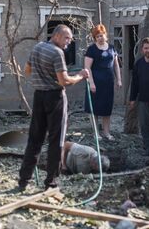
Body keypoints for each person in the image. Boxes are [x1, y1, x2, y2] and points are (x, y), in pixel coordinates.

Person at [16, 25, 89, 191]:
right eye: (66, 38)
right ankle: (51, 182)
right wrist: (80, 76)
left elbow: (27, 70)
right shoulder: (57, 52)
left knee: (35, 139)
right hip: (55, 98)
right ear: (56, 36)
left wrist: (43, 76)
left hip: (38, 96)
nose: (68, 43)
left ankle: (23, 181)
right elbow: (64, 81)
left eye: (70, 40)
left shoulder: (37, 47)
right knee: (56, 140)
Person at [84, 24, 122, 140]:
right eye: (97, 36)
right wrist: (91, 83)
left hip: (108, 83)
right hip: (95, 82)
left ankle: (106, 132)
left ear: (106, 35)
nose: (100, 38)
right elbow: (87, 67)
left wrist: (119, 79)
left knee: (107, 108)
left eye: (102, 35)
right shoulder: (92, 49)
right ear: (95, 38)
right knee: (94, 109)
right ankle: (96, 133)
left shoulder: (111, 48)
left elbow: (116, 65)